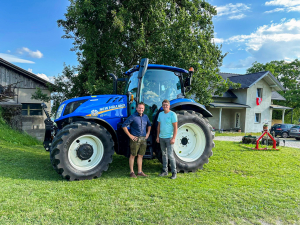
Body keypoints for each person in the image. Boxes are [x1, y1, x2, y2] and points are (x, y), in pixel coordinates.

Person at [122, 102, 151, 178]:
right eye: (139, 108)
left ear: (144, 109)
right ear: (137, 108)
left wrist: (148, 134)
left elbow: (149, 125)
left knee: (140, 155)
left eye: (142, 108)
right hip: (135, 139)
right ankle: (132, 172)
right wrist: (130, 136)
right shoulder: (133, 116)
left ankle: (140, 172)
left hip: (143, 139)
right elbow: (124, 126)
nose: (141, 109)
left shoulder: (146, 117)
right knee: (133, 155)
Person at [156, 99, 178, 179]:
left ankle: (174, 172)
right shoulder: (161, 114)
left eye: (166, 105)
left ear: (169, 106)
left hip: (169, 138)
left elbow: (175, 127)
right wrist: (157, 137)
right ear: (162, 106)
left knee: (170, 155)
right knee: (164, 155)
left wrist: (174, 138)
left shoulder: (172, 114)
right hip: (162, 137)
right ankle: (165, 171)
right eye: (164, 105)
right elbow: (159, 126)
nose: (165, 106)